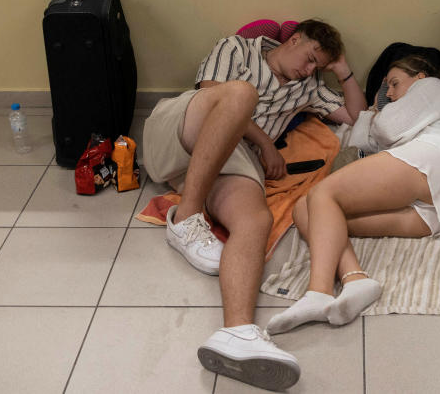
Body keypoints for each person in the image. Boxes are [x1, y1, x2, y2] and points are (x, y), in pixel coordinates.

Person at [140, 20, 365, 391]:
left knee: (256, 220)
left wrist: (342, 70)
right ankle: (187, 216)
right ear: (293, 40)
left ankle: (238, 333)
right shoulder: (238, 48)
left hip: (230, 157)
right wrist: (266, 143)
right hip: (184, 126)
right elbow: (214, 94)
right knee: (241, 94)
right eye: (309, 58)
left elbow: (356, 117)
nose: (309, 70)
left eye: (317, 67)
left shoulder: (307, 87)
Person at [266, 55, 440, 335]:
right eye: (385, 88)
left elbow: (387, 129)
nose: (389, 92)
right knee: (308, 209)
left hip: (434, 159)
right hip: (436, 210)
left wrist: (380, 112)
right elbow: (360, 143)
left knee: (323, 192)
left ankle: (319, 291)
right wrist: (372, 111)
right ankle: (356, 280)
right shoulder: (410, 112)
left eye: (394, 83)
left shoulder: (433, 87)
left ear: (420, 77)